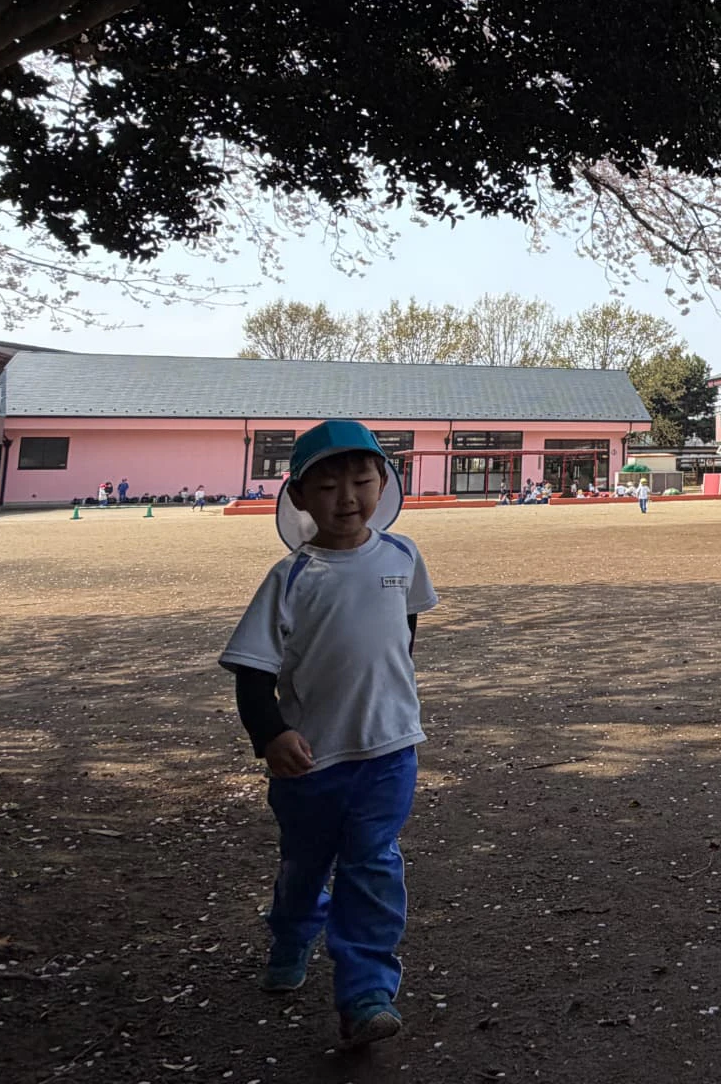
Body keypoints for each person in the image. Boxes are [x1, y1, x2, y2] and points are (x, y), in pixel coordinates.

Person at [219, 420, 438, 1050]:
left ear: (384, 484)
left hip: (391, 749)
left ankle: (366, 991)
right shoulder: (290, 577)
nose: (348, 496)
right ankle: (290, 932)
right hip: (311, 761)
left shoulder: (403, 556)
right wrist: (271, 736)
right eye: (329, 485)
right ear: (300, 498)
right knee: (306, 864)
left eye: (362, 481)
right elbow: (253, 670)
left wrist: (393, 701)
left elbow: (405, 632)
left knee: (373, 863)